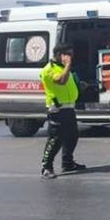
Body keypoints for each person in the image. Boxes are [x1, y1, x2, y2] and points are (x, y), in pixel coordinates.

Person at [40, 43, 86, 179]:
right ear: (60, 55)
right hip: (57, 109)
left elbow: (67, 84)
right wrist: (67, 65)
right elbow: (61, 81)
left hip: (69, 107)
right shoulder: (49, 69)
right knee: (55, 138)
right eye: (68, 54)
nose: (71, 57)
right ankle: (46, 167)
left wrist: (79, 87)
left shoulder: (63, 68)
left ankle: (68, 163)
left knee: (72, 136)